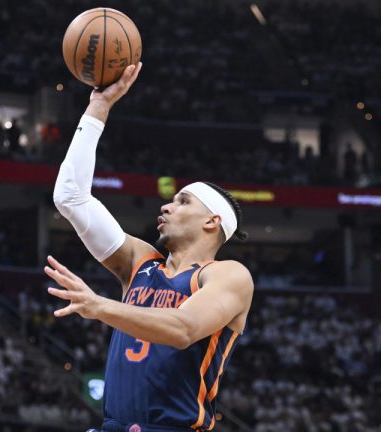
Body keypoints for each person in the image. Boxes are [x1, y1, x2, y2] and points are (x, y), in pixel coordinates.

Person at [47, 63, 254, 432]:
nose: (166, 206)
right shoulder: (140, 262)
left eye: (183, 201)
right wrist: (98, 107)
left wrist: (99, 306)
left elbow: (184, 329)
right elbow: (71, 198)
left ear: (212, 222)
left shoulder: (228, 275)